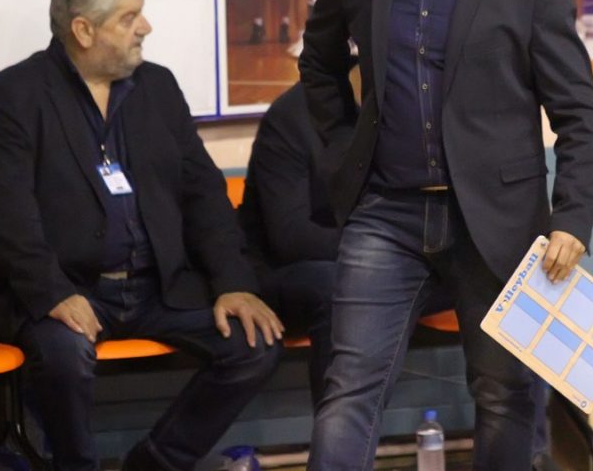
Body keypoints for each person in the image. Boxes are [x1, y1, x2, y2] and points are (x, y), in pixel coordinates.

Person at [299, 0, 593, 471]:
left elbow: (578, 111)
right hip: (385, 214)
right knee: (348, 393)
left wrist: (573, 218)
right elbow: (319, 65)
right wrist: (344, 151)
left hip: (499, 220)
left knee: (506, 394)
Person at [0, 0, 284, 471]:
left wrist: (233, 283)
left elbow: (204, 195)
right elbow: (8, 213)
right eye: (128, 17)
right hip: (69, 289)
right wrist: (54, 293)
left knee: (255, 343)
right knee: (65, 356)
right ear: (83, 30)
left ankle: (154, 464)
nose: (146, 27)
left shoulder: (157, 87)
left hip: (159, 288)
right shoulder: (15, 95)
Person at [239, 82, 561, 470]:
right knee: (337, 288)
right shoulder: (292, 116)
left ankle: (532, 455)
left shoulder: (416, 103)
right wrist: (377, 247)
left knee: (511, 280)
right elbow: (288, 234)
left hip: (408, 260)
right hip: (300, 268)